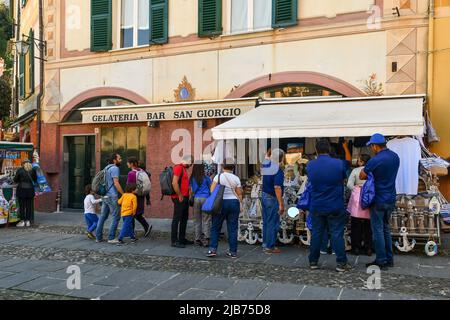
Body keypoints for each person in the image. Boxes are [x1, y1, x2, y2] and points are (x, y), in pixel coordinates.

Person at [307, 139, 352, 272]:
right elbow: (347, 168)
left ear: (316, 150)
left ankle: (313, 262)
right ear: (329, 149)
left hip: (317, 204)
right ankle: (341, 263)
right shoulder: (338, 164)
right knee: (337, 234)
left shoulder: (310, 165)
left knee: (316, 234)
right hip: (334, 204)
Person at [360, 133, 400, 270]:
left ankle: (381, 260)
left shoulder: (375, 160)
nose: (371, 148)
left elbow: (362, 175)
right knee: (386, 229)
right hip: (390, 198)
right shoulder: (395, 157)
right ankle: (389, 259)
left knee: (377, 230)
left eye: (372, 146)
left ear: (375, 146)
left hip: (377, 199)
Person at [206, 160, 243, 259]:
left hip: (220, 203)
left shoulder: (218, 176)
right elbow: (239, 193)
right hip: (233, 203)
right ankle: (233, 252)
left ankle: (212, 249)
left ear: (222, 166)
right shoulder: (236, 178)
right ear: (233, 167)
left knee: (215, 227)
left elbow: (212, 190)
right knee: (232, 228)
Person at [96, 153, 125, 244]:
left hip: (104, 195)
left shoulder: (106, 168)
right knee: (116, 216)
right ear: (114, 160)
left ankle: (98, 237)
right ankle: (111, 237)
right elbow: (116, 183)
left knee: (103, 216)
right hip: (112, 196)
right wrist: (123, 194)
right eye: (119, 158)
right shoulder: (115, 168)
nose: (121, 160)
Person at [347, 154, 372, 256]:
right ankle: (368, 248)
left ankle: (356, 248)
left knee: (355, 224)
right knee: (368, 225)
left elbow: (349, 184)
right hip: (369, 198)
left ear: (361, 162)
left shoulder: (355, 171)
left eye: (359, 160)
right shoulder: (372, 170)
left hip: (358, 198)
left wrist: (356, 190)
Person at [261, 148, 285, 254]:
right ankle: (270, 246)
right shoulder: (278, 170)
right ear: (281, 158)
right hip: (272, 197)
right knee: (272, 222)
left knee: (266, 221)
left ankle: (266, 244)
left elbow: (266, 157)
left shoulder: (267, 166)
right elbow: (277, 187)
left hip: (265, 195)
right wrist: (281, 203)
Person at [171, 155, 194, 248]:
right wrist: (180, 195)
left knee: (184, 218)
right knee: (177, 219)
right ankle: (174, 240)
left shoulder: (183, 169)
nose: (191, 165)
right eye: (191, 162)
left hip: (184, 197)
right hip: (179, 197)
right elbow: (174, 182)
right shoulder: (179, 168)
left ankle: (182, 239)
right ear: (187, 161)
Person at [127, 157, 151, 238]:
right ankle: (146, 227)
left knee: (132, 214)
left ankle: (132, 233)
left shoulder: (131, 174)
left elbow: (129, 187)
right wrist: (148, 198)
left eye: (128, 163)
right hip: (141, 196)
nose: (127, 164)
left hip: (133, 196)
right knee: (137, 214)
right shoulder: (142, 171)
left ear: (132, 164)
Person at [190, 162, 212, 247]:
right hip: (206, 198)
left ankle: (197, 239)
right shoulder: (206, 178)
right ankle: (206, 239)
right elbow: (211, 188)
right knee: (206, 219)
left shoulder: (192, 178)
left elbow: (192, 190)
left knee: (197, 219)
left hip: (196, 199)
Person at [13, 159, 38, 227]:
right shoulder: (33, 170)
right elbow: (35, 180)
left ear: (22, 164)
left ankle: (22, 221)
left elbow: (15, 179)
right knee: (29, 206)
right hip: (30, 190)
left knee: (22, 206)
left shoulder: (20, 170)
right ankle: (28, 221)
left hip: (21, 190)